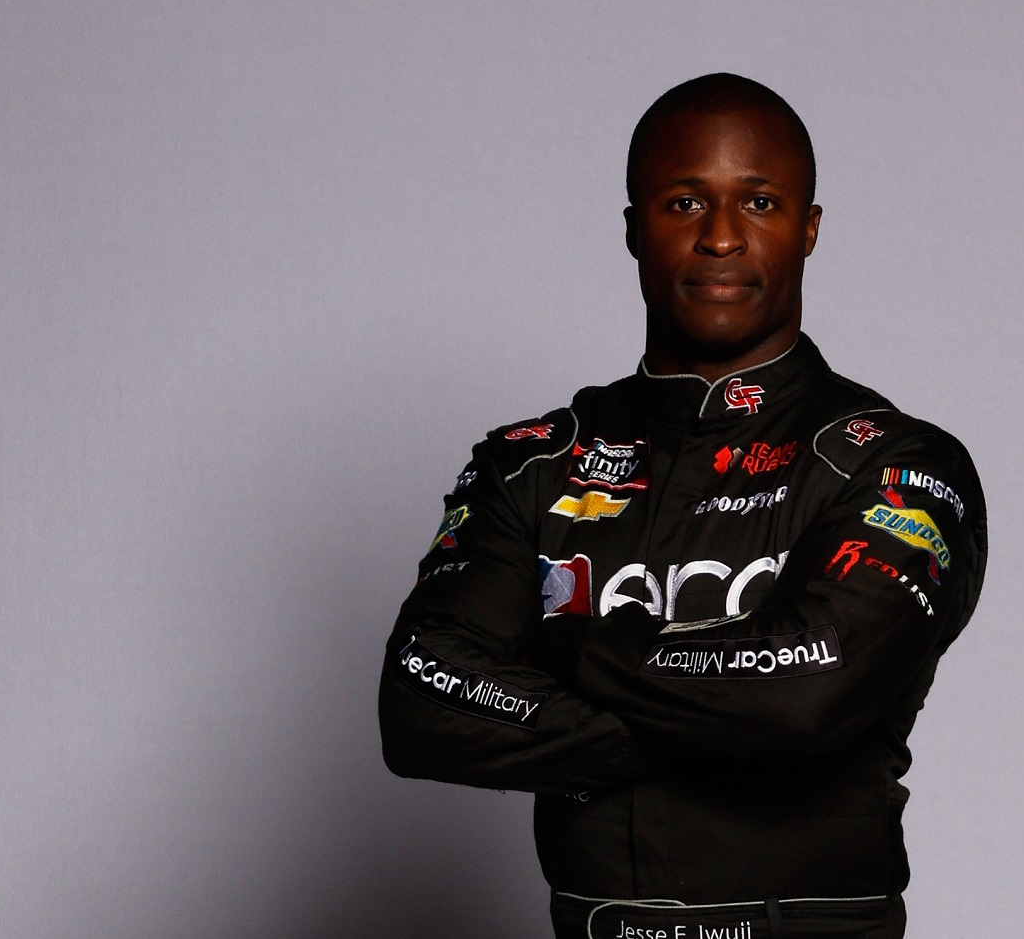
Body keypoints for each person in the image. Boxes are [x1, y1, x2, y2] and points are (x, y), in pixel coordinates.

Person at [379, 73, 988, 939]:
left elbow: (809, 689)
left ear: (809, 229)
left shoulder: (897, 462)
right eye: (684, 201)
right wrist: (714, 734)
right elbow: (420, 698)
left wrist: (565, 645)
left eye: (762, 202)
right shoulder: (534, 462)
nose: (722, 237)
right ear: (634, 229)